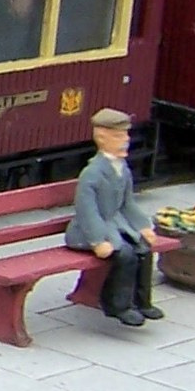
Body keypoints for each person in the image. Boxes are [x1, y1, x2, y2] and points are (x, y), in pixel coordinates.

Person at [66, 106, 164, 327]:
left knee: (143, 249)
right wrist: (98, 241)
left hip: (115, 226)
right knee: (125, 255)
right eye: (119, 136)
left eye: (126, 135)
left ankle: (142, 302)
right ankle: (117, 305)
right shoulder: (92, 173)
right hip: (88, 232)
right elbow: (87, 212)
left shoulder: (122, 169)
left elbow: (128, 204)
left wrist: (143, 226)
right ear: (102, 138)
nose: (126, 140)